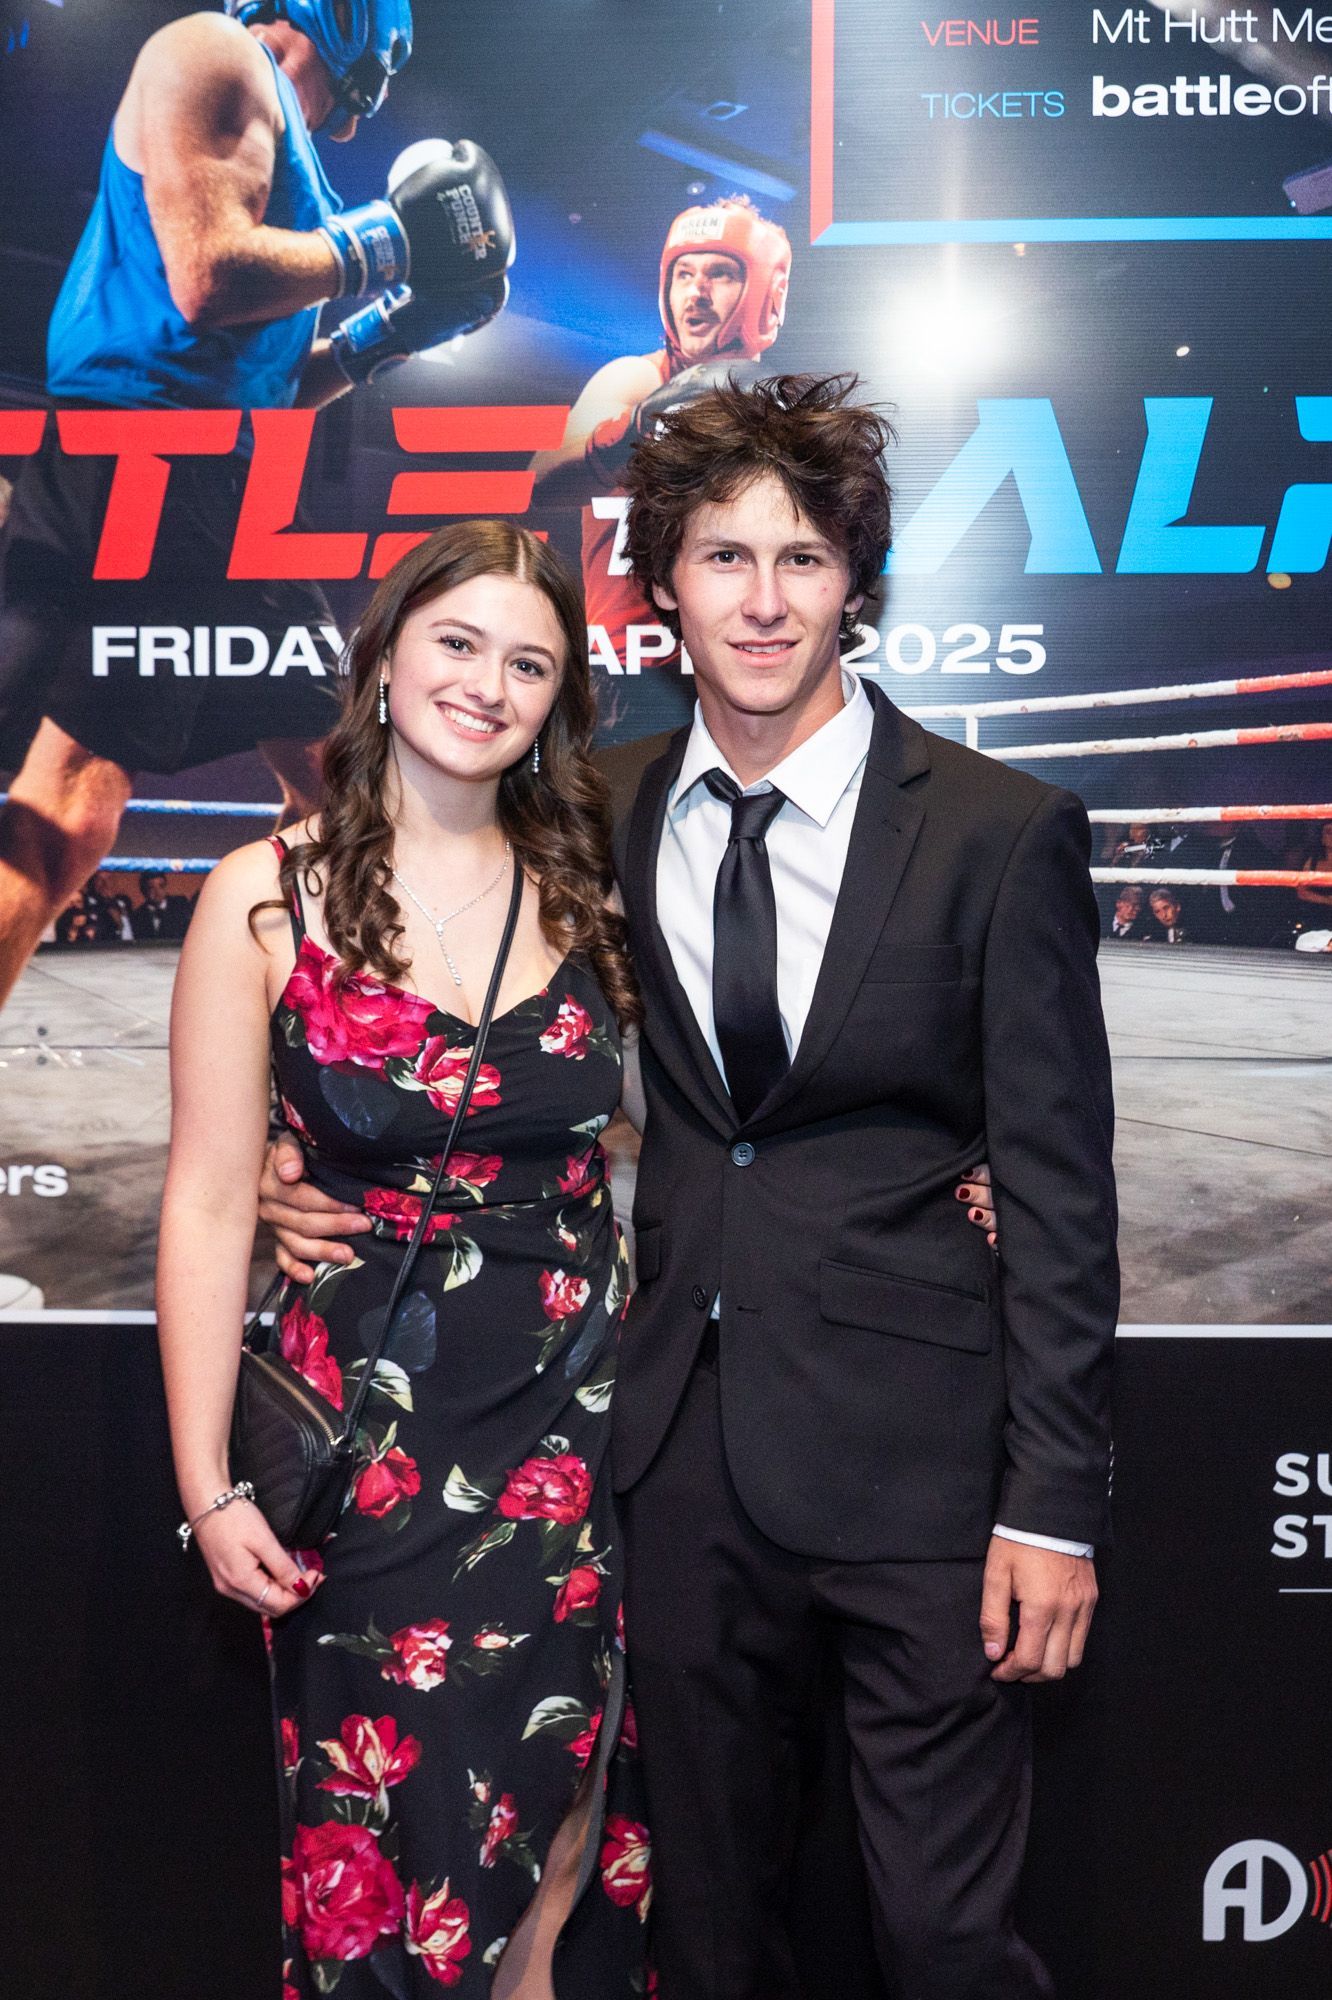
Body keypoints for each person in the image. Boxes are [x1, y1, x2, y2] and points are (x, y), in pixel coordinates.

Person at [261, 375, 1114, 1997]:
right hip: (669, 1466)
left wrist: (1052, 1507)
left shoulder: (997, 833)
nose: (765, 599)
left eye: (802, 558)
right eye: (725, 557)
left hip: (926, 1473)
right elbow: (421, 993)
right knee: (707, 1934)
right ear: (662, 585)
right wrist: (284, 1152)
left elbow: (1065, 1197)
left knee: (941, 1934)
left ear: (854, 581)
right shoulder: (598, 809)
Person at [158, 522, 652, 1999]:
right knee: (393, 1860)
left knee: (560, 1844)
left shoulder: (599, 890)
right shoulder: (264, 895)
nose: (487, 684)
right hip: (369, 1454)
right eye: (457, 642)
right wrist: (208, 1484)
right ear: (383, 657)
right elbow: (206, 1198)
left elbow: (714, 1124)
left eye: (529, 663)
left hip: (587, 1436)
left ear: (558, 703)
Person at [0, 0, 513, 1013]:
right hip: (145, 460)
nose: (381, 84)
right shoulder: (214, 51)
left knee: (343, 789)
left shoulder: (292, 159)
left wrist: (388, 333)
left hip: (220, 483)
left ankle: (314, 1047)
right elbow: (206, 274)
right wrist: (392, 243)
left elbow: (259, 385)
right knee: (73, 805)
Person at [529, 195, 791, 677]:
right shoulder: (636, 380)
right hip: (632, 670)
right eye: (684, 274)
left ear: (766, 295)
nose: (697, 292)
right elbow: (540, 485)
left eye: (720, 274)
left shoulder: (781, 407)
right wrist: (637, 429)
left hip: (743, 667)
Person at [130, 870, 192, 942]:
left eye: (161, 886)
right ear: (143, 890)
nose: (158, 891)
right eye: (151, 887)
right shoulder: (137, 916)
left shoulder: (180, 906)